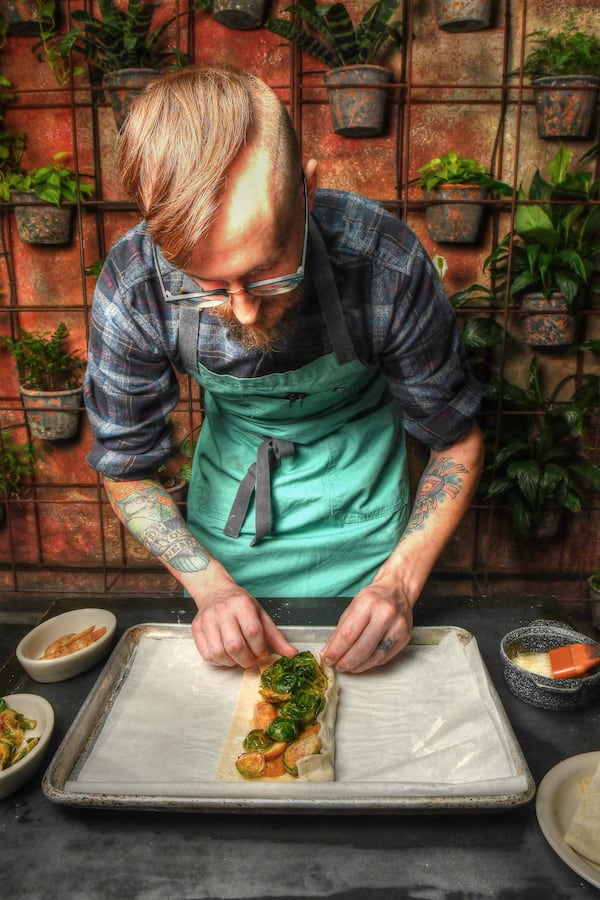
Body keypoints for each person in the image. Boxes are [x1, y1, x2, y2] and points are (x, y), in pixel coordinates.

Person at [84, 65, 484, 675]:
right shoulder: (135, 283)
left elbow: (456, 445)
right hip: (226, 544)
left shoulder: (384, 262)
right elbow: (126, 469)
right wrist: (212, 590)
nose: (242, 307)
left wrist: (399, 586)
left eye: (268, 268)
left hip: (369, 537)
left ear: (307, 192)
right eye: (208, 285)